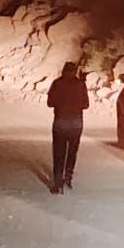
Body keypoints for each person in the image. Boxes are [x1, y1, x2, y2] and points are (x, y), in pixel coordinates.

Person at [46, 62, 89, 193]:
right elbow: (86, 104)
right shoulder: (80, 84)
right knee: (72, 151)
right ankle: (68, 176)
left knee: (58, 152)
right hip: (76, 124)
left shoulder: (57, 83)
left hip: (60, 123)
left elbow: (50, 103)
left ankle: (57, 181)